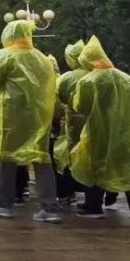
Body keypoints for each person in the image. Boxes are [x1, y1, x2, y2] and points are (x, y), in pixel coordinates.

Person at [0, 20, 61, 223]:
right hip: (39, 116)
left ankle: (3, 205)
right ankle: (50, 208)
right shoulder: (43, 59)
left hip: (11, 115)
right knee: (41, 158)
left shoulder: (3, 56)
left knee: (5, 157)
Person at [70, 37, 130, 218]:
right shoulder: (125, 78)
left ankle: (93, 206)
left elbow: (81, 107)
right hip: (125, 131)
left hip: (98, 130)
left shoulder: (88, 81)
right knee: (126, 167)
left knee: (93, 166)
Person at [54, 40, 88, 205]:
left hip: (73, 124)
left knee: (66, 158)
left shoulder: (67, 77)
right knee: (91, 159)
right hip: (96, 125)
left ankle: (66, 195)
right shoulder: (98, 74)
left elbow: (59, 98)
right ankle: (96, 199)